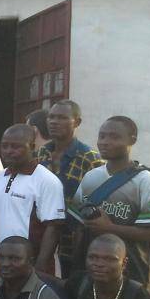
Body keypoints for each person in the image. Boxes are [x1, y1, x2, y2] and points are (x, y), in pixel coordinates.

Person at [72, 116, 150, 293]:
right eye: (102, 136)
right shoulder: (91, 177)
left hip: (131, 272)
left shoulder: (146, 182)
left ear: (132, 140)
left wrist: (109, 228)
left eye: (114, 137)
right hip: (90, 270)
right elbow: (78, 224)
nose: (105, 142)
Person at [37, 100, 103, 276]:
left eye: (61, 118)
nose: (53, 122)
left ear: (77, 122)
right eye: (51, 117)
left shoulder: (90, 159)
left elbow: (98, 207)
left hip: (74, 244)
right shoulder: (42, 153)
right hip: (43, 240)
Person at [0, 124, 64, 273]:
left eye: (16, 147)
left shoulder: (47, 181)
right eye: (4, 146)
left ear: (32, 147)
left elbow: (54, 227)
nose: (9, 151)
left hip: (29, 269)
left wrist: (39, 269)